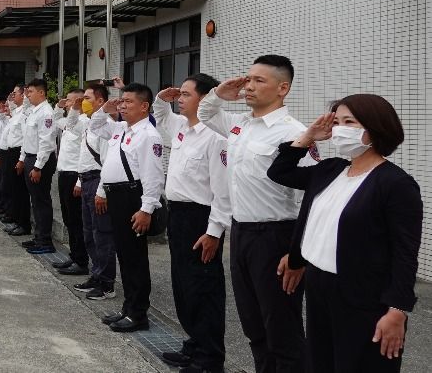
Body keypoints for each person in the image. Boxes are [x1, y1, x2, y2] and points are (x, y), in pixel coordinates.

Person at [268, 95, 421, 373]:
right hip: (318, 287)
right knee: (321, 362)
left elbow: (405, 253)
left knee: (360, 365)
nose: (339, 129)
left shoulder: (396, 184)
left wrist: (398, 310)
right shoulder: (332, 169)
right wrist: (308, 136)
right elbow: (280, 171)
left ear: (374, 128)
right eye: (336, 122)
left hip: (363, 297)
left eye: (349, 122)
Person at [198, 55, 314, 373]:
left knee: (282, 329)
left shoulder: (295, 133)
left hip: (277, 237)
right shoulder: (241, 125)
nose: (249, 86)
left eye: (259, 81)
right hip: (243, 233)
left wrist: (298, 253)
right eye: (247, 79)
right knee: (254, 326)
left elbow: (312, 197)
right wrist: (221, 92)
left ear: (283, 88)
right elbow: (206, 113)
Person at [153, 75, 231, 373]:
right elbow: (161, 115)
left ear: (206, 98)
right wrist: (163, 97)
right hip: (179, 215)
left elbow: (223, 190)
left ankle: (210, 358)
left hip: (202, 218)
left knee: (204, 289)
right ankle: (194, 344)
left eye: (186, 94)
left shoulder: (216, 136)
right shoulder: (183, 128)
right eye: (180, 95)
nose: (180, 98)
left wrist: (214, 231)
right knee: (184, 285)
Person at [91, 83, 164, 333]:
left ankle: (138, 313)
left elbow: (153, 176)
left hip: (133, 198)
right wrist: (104, 109)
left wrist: (146, 209)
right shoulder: (122, 128)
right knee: (124, 254)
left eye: (128, 102)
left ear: (144, 107)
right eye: (121, 101)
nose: (122, 105)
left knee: (135, 259)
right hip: (117, 197)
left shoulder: (149, 135)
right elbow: (95, 126)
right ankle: (127, 307)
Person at [70, 83, 117, 300]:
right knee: (89, 233)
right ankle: (96, 275)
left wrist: (102, 192)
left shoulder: (106, 125)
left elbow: (106, 162)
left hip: (99, 181)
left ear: (100, 102)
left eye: (88, 98)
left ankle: (106, 283)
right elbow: (70, 125)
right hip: (86, 180)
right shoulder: (89, 124)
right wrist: (80, 181)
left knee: (103, 235)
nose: (84, 102)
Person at [17, 79, 59, 255]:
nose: (28, 95)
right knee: (35, 200)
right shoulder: (33, 112)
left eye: (31, 91)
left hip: (40, 161)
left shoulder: (46, 113)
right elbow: (28, 139)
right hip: (31, 158)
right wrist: (22, 158)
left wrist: (38, 167)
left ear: (42, 93)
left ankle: (45, 241)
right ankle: (38, 236)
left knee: (41, 201)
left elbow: (47, 142)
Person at [52, 90, 91, 277]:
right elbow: (55, 121)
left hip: (75, 174)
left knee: (76, 220)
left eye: (69, 100)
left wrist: (79, 181)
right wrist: (58, 107)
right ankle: (74, 256)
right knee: (68, 218)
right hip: (64, 173)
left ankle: (81, 260)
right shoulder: (70, 122)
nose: (66, 102)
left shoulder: (84, 122)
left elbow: (85, 154)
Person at [0, 85, 31, 236]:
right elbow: (9, 106)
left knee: (20, 191)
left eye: (15, 93)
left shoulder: (24, 113)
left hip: (19, 152)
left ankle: (23, 224)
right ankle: (16, 220)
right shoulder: (17, 112)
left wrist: (21, 159)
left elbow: (25, 137)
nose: (12, 96)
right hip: (11, 152)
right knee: (13, 189)